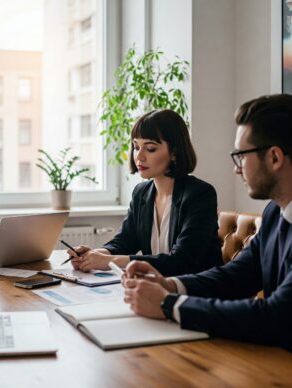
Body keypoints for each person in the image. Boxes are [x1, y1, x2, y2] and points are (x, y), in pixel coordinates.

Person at [123, 94, 292, 351]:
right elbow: (236, 275)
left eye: (241, 156)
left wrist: (169, 305)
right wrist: (170, 286)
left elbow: (277, 316)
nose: (237, 169)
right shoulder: (273, 213)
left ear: (274, 158)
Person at [68, 109, 223, 276]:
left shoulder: (200, 194)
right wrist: (96, 254)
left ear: (174, 153)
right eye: (136, 147)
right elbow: (125, 240)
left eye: (150, 149)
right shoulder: (141, 193)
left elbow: (182, 260)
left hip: (197, 293)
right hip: (158, 288)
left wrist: (110, 262)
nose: (139, 156)